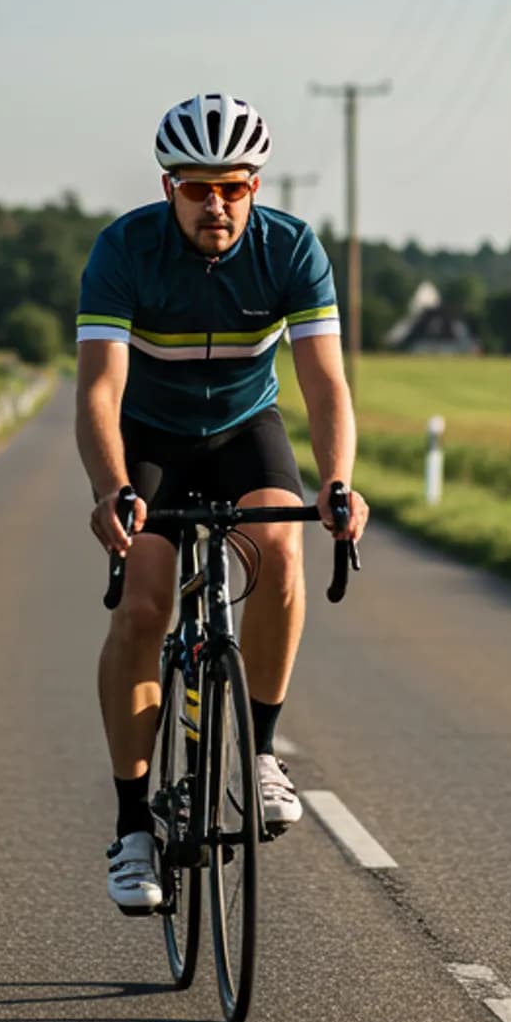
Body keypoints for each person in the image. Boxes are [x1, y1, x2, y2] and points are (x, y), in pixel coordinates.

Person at [76, 92, 370, 914]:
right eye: (198, 188)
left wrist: (338, 482)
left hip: (245, 427)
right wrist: (111, 489)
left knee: (281, 551)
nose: (217, 204)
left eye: (233, 187)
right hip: (150, 438)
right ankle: (134, 827)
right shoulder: (125, 250)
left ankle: (263, 753)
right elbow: (98, 391)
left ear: (254, 187)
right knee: (143, 607)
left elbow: (324, 382)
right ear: (168, 187)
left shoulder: (291, 250)